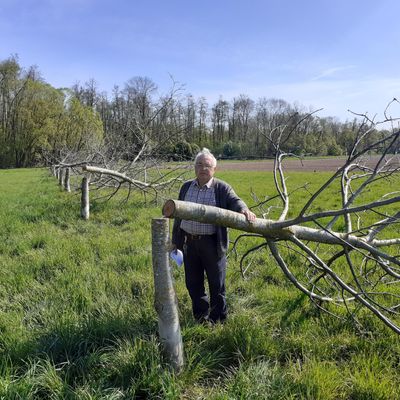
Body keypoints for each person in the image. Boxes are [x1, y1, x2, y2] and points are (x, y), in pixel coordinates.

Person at [172, 148, 256, 324]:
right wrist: (176, 242)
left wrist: (244, 209)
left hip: (212, 244)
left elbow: (235, 200)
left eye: (207, 165)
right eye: (199, 164)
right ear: (195, 167)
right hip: (189, 243)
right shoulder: (186, 186)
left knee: (216, 284)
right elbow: (178, 217)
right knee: (193, 284)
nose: (203, 168)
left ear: (214, 169)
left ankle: (218, 319)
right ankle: (201, 317)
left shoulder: (221, 187)